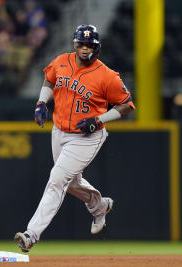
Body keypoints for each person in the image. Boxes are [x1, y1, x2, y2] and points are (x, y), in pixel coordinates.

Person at [14, 24, 135, 252]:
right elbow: (49, 79)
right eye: (81, 43)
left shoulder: (107, 76)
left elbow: (127, 105)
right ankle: (99, 206)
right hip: (59, 131)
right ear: (75, 44)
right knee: (71, 183)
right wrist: (41, 103)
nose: (84, 48)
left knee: (57, 179)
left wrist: (99, 119)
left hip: (87, 136)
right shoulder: (61, 61)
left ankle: (31, 234)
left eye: (90, 44)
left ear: (96, 47)